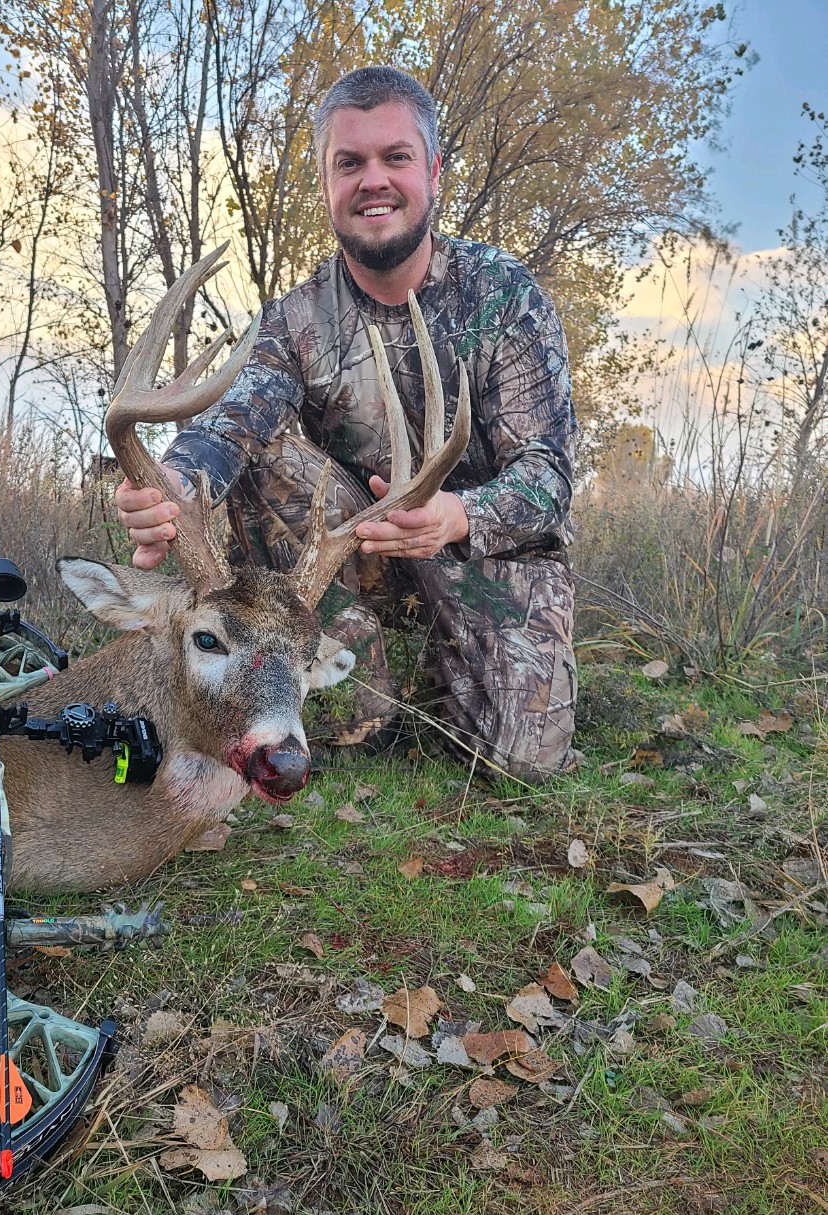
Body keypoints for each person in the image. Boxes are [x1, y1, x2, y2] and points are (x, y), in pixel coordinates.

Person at [116, 66, 576, 781]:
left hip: (484, 559)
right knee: (263, 456)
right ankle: (358, 692)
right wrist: (172, 485)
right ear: (327, 182)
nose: (373, 181)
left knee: (521, 761)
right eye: (349, 162)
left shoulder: (505, 298)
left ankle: (431, 674)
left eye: (395, 157)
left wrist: (456, 514)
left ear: (433, 170)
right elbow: (234, 423)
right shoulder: (294, 320)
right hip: (351, 555)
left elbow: (549, 476)